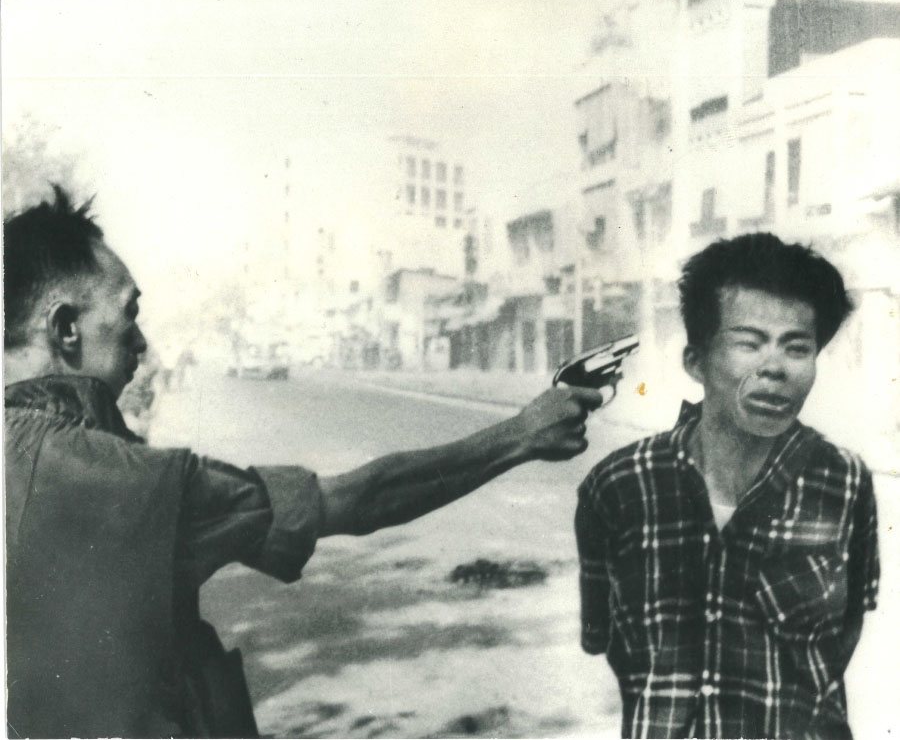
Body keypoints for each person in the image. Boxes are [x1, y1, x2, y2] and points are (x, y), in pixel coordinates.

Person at [4, 187, 606, 739]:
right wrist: (522, 434)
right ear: (65, 329)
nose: (141, 341)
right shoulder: (136, 483)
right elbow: (360, 499)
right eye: (130, 312)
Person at [575, 233, 879, 739]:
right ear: (695, 361)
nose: (775, 368)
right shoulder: (618, 486)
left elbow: (843, 636)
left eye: (796, 347)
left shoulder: (843, 482)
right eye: (749, 342)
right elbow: (605, 638)